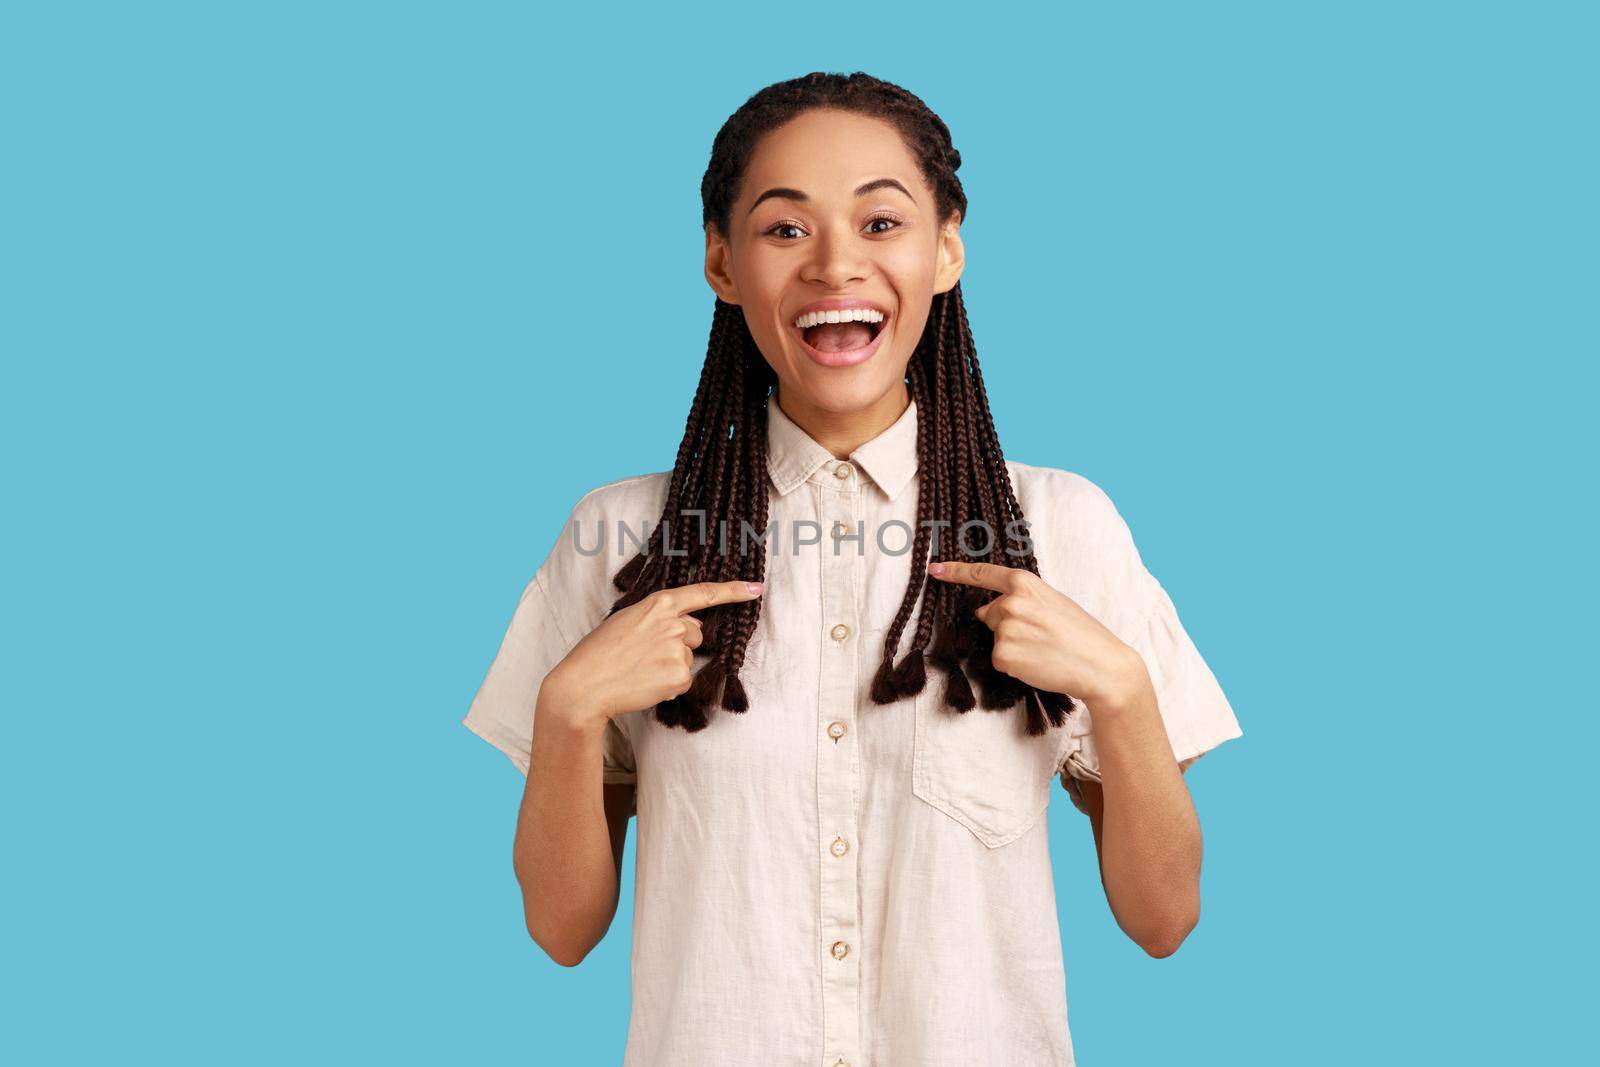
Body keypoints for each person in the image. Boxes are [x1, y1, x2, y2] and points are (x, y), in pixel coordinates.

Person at [463, 71, 1242, 1067]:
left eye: (881, 221)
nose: (836, 263)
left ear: (947, 247)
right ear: (720, 260)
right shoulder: (623, 538)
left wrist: (1125, 692)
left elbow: (1163, 916)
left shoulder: (1061, 526)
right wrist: (567, 710)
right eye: (784, 228)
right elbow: (560, 929)